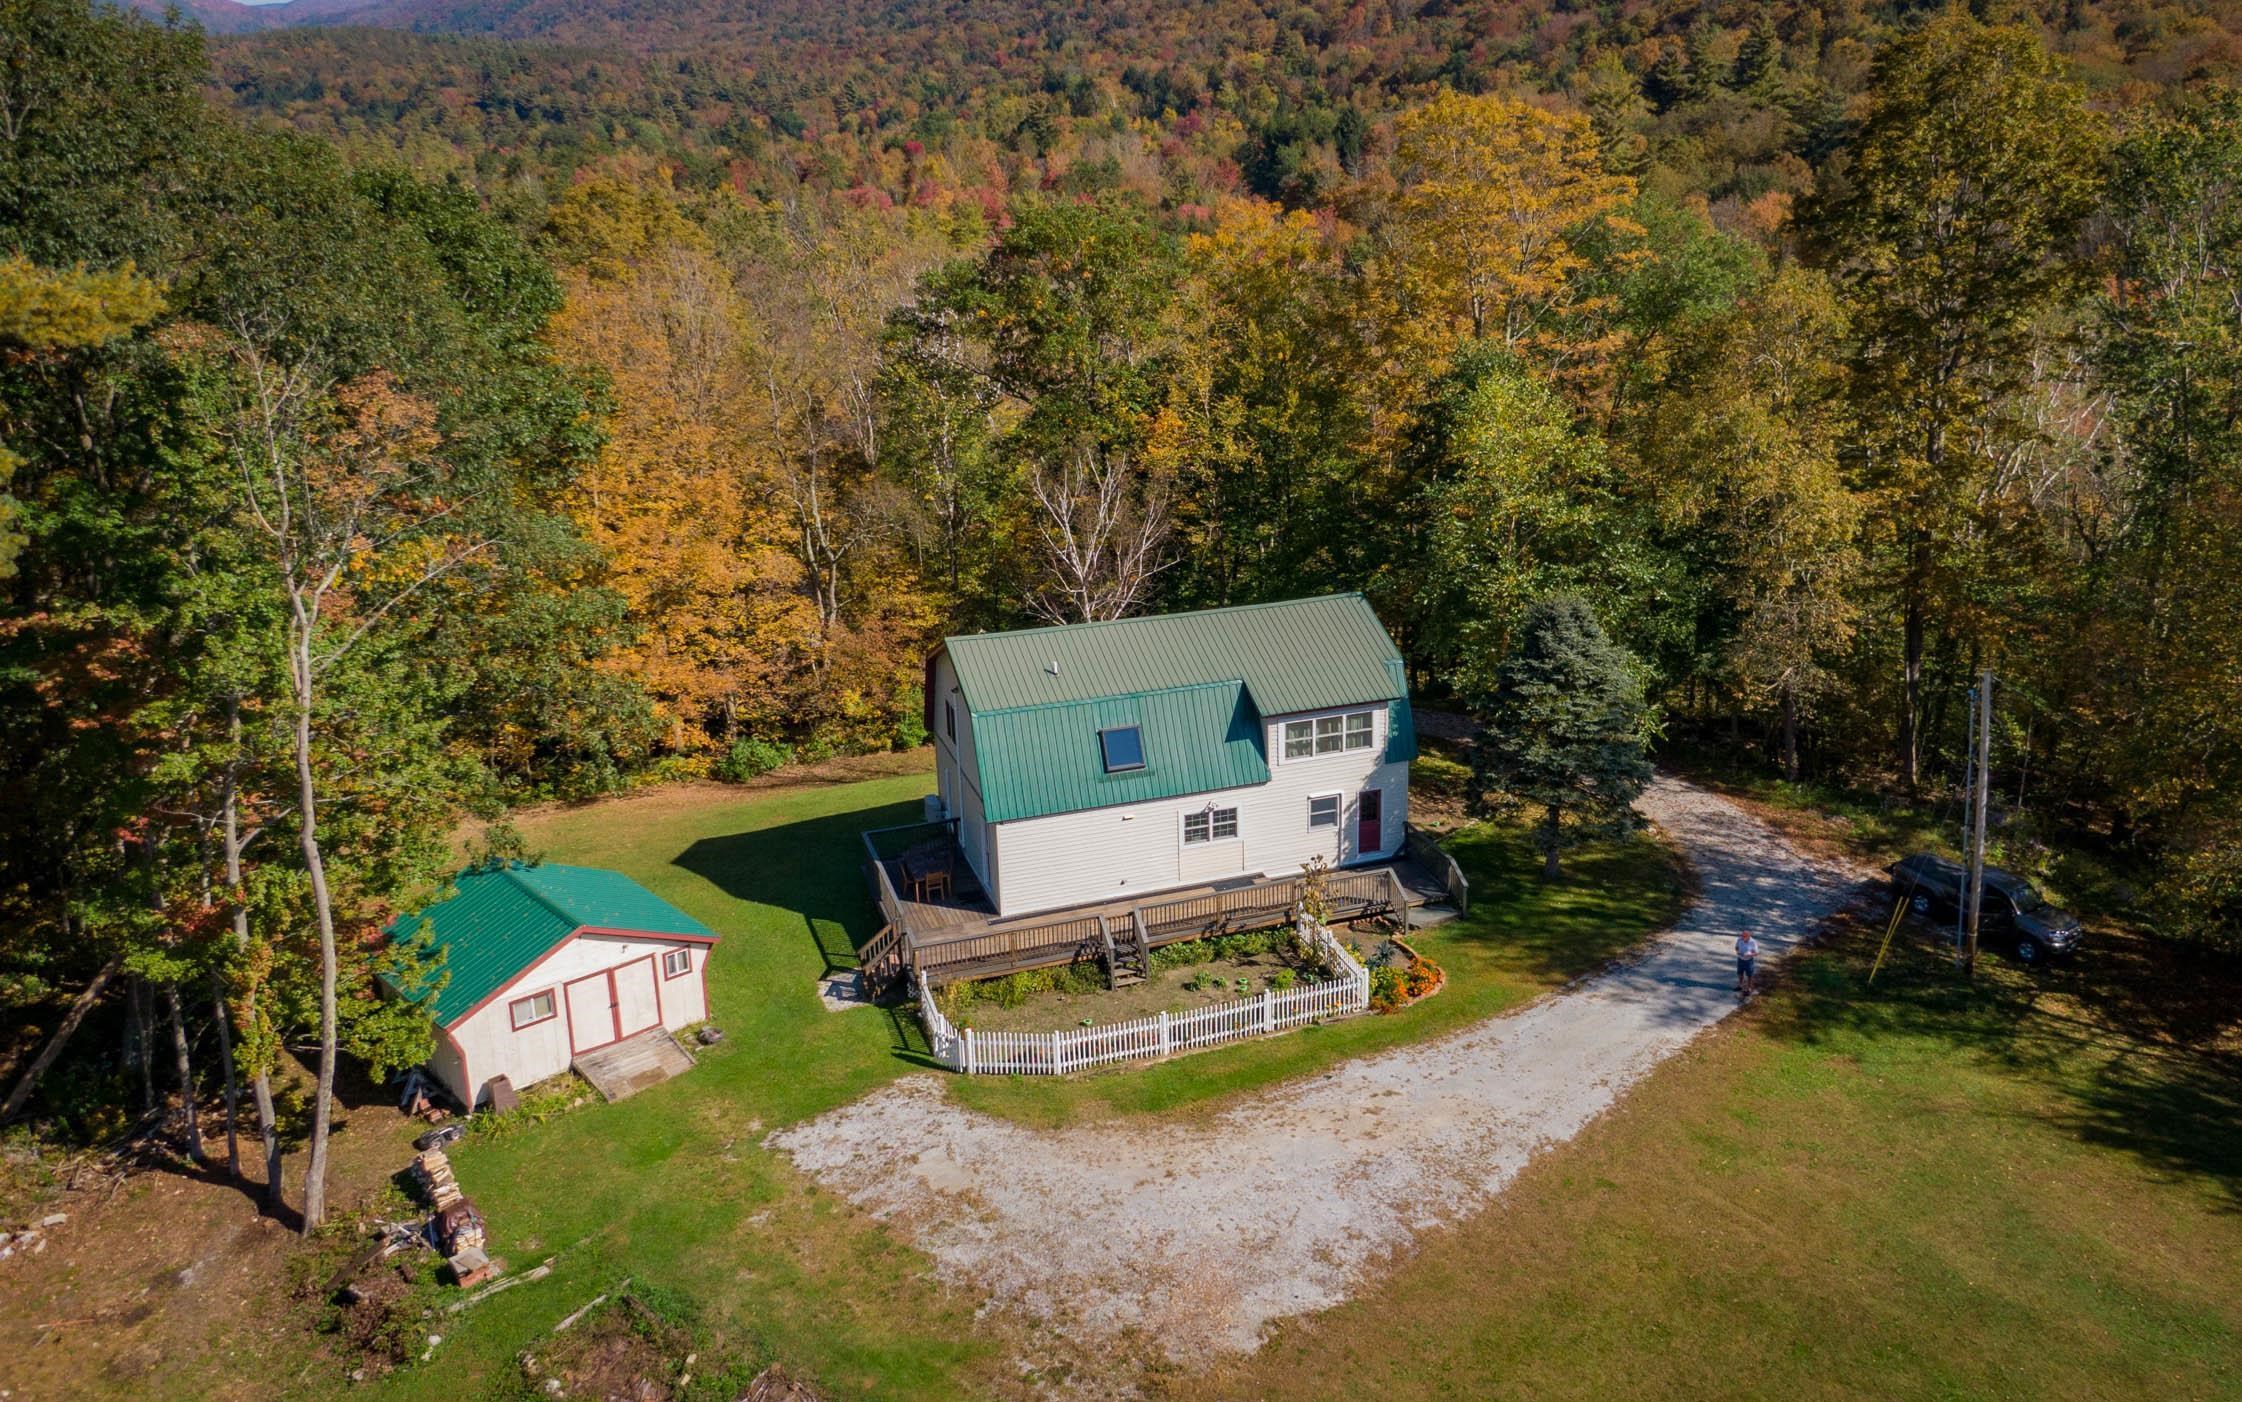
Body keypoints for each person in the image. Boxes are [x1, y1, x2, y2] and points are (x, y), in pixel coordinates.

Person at [1735, 930, 1760, 996]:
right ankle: (1740, 986)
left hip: (1749, 961)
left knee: (1749, 975)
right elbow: (1736, 947)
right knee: (1740, 973)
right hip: (1740, 959)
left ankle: (1749, 989)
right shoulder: (1739, 939)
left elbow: (1757, 953)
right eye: (1742, 936)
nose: (1742, 938)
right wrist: (1737, 951)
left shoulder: (1753, 942)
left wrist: (1750, 954)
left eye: (1744, 937)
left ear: (1749, 936)